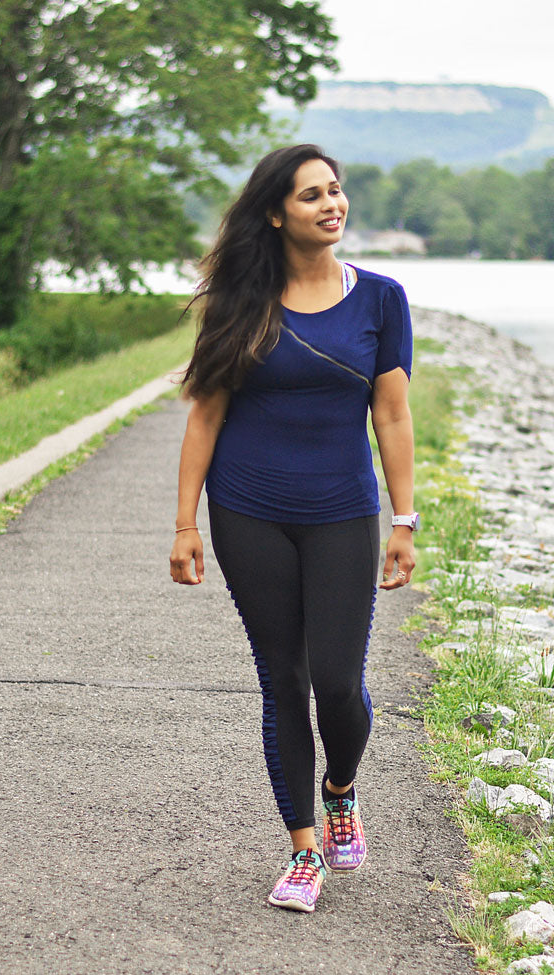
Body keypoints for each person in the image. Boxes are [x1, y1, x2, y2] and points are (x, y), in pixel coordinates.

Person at [169, 144, 418, 913]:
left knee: (340, 684)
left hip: (343, 511)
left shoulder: (380, 299)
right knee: (285, 679)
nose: (332, 205)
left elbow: (392, 412)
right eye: (313, 195)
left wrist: (403, 520)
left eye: (337, 191)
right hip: (248, 511)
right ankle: (302, 848)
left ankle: (340, 789)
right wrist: (185, 524)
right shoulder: (239, 301)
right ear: (277, 212)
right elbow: (205, 413)